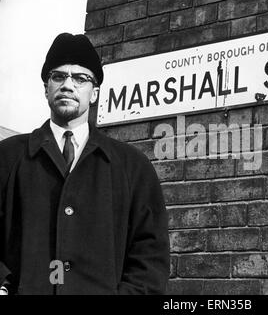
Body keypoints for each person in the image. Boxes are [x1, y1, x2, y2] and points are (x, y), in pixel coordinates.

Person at [0, 33, 170, 295]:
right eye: (58, 76)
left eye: (80, 79)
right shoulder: (8, 156)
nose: (68, 85)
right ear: (46, 88)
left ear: (94, 93)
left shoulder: (132, 167)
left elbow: (150, 256)